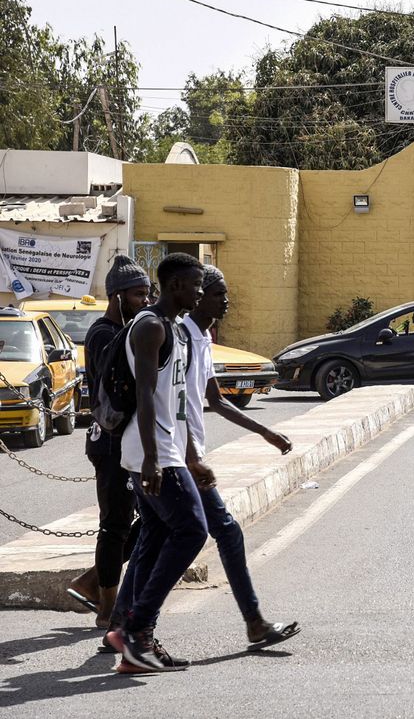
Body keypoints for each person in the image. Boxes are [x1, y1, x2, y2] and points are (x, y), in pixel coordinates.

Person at [179, 266, 301, 650]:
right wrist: (190, 456)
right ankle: (254, 622)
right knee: (220, 533)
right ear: (198, 295)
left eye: (225, 292)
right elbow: (170, 403)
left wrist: (265, 432)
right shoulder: (180, 337)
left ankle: (120, 620)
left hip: (183, 453)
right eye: (217, 293)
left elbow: (215, 399)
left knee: (156, 536)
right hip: (176, 455)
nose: (225, 300)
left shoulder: (202, 336)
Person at [106, 252, 208, 673]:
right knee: (191, 530)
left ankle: (125, 628)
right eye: (196, 284)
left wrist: (191, 456)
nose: (201, 292)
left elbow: (177, 403)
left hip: (165, 448)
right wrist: (152, 458)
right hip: (150, 449)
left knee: (156, 532)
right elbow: (146, 394)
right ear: (176, 285)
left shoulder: (175, 331)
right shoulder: (149, 326)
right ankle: (138, 631)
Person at [65, 256, 151, 631]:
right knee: (114, 524)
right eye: (138, 294)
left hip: (127, 439)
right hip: (109, 442)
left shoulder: (129, 329)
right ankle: (106, 606)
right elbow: (120, 382)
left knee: (150, 519)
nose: (145, 301)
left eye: (148, 293)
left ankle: (92, 580)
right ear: (117, 297)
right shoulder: (104, 333)